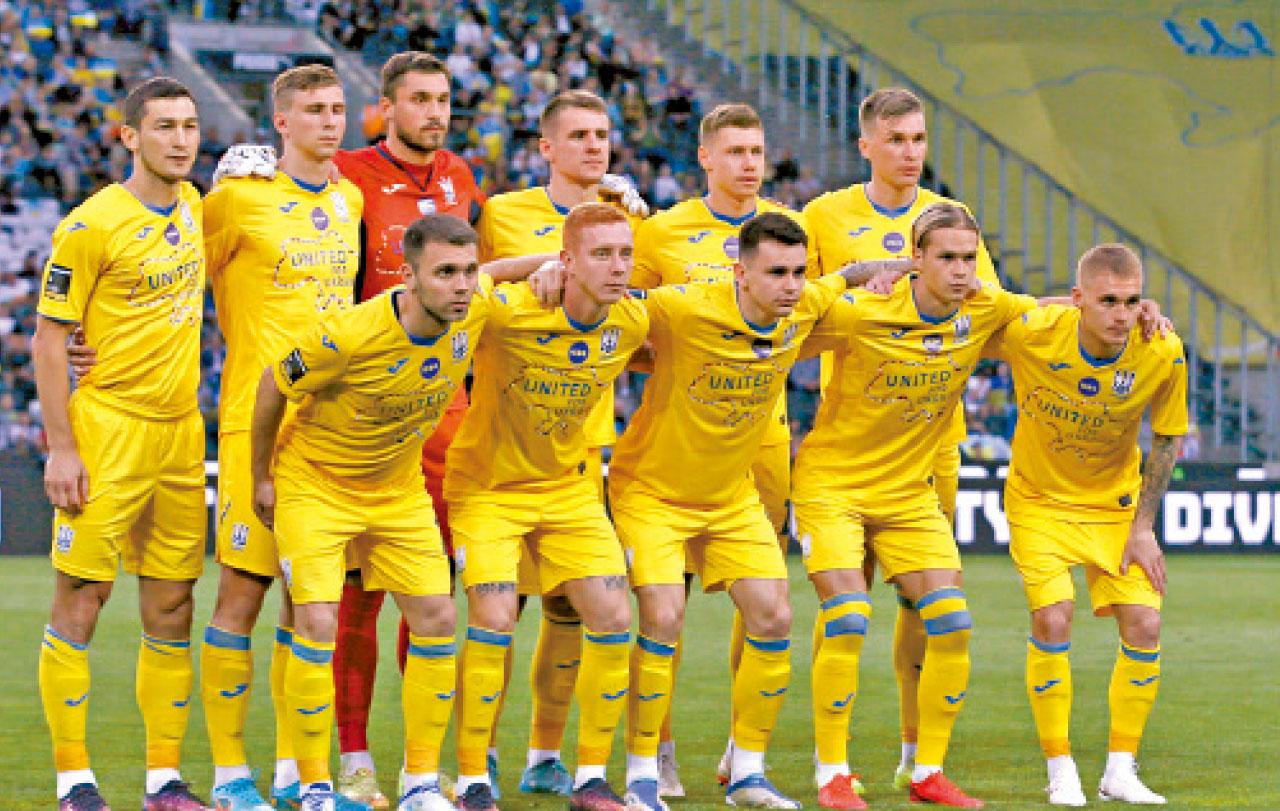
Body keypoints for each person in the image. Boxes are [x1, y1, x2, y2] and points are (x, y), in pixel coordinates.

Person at [794, 203, 1040, 809]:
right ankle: (832, 773)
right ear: (916, 258)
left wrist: (1137, 311)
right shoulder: (864, 311)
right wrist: (852, 276)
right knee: (848, 616)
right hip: (833, 487)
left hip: (908, 493)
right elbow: (785, 325)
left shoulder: (984, 307)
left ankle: (926, 773)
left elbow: (1053, 313)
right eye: (946, 258)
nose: (960, 271)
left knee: (953, 622)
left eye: (968, 258)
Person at [612, 213, 858, 811]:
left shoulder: (802, 306)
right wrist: (546, 271)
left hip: (730, 496)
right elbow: (609, 299)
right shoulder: (684, 306)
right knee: (663, 617)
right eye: (776, 273)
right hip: (652, 491)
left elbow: (846, 279)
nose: (791, 285)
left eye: (798, 272)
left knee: (773, 616)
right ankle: (642, 774)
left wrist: (886, 270)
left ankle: (747, 772)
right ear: (740, 273)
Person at [250, 214, 489, 811]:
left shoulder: (472, 310)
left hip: (396, 490)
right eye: (445, 273)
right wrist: (261, 477)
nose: (461, 286)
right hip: (317, 485)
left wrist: (550, 268)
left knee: (437, 616)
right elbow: (272, 384)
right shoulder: (346, 336)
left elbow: (504, 274)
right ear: (408, 276)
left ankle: (420, 784)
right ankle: (313, 787)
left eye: (469, 271)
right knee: (318, 622)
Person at [801, 87, 1001, 797]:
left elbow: (991, 310)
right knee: (840, 608)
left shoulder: (952, 222)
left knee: (932, 609)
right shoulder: (825, 216)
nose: (911, 152)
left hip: (928, 445)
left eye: (919, 139)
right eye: (896, 140)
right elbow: (790, 303)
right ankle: (788, 757)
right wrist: (857, 282)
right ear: (866, 145)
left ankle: (920, 757)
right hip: (847, 438)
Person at [34, 76, 210, 811]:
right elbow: (49, 339)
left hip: (181, 433)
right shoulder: (91, 225)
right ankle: (73, 779)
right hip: (108, 430)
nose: (181, 139)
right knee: (83, 596)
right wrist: (62, 446)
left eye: (190, 125)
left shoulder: (196, 204)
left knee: (172, 607)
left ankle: (163, 780)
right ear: (129, 136)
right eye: (165, 126)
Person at [629, 101, 813, 799]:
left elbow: (814, 310)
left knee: (765, 600)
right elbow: (627, 328)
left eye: (757, 150)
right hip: (681, 441)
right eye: (735, 151)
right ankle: (658, 752)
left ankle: (743, 750)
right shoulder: (663, 231)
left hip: (762, 441)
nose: (749, 163)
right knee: (665, 605)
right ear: (705, 157)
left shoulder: (788, 230)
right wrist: (688, 361)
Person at [473, 88, 646, 797]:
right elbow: (471, 299)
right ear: (545, 147)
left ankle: (546, 754)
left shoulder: (630, 217)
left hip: (581, 443)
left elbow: (635, 311)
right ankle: (479, 754)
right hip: (505, 444)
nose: (594, 145)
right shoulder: (503, 213)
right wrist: (539, 265)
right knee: (500, 609)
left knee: (570, 607)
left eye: (602, 134)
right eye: (578, 135)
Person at [199, 63, 361, 811]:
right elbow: (174, 270)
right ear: (281, 123)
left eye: (337, 109)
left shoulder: (348, 199)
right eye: (314, 110)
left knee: (311, 604)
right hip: (253, 424)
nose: (330, 122)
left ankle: (300, 772)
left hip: (330, 430)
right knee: (242, 591)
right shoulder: (236, 200)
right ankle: (230, 775)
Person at [984, 244, 1185, 806]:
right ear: (1078, 300)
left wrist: (1143, 528)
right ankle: (1060, 768)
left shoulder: (1162, 349)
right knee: (1054, 617)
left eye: (1132, 301)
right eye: (1107, 302)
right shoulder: (1035, 332)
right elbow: (976, 320)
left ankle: (1120, 770)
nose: (1122, 315)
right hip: (1039, 501)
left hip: (1114, 508)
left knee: (1145, 623)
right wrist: (1050, 304)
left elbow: (1166, 439)